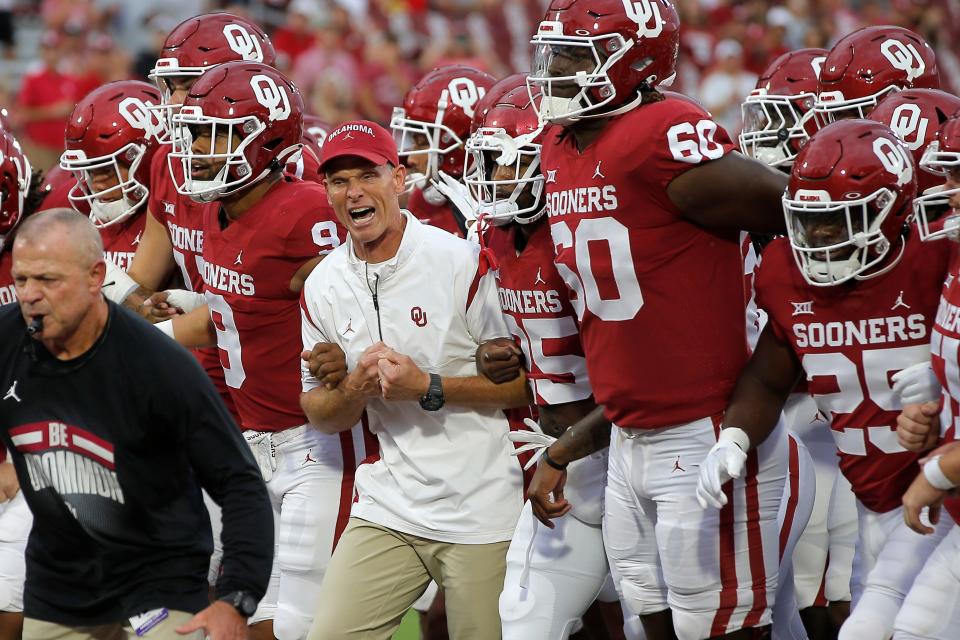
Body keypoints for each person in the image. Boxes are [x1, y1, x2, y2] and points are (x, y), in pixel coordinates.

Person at [526, 1, 790, 638]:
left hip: (705, 426)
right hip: (626, 434)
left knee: (723, 625)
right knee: (650, 624)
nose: (555, 69)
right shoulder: (559, 145)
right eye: (551, 52)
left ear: (637, 60)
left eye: (574, 54)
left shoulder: (662, 130)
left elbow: (799, 210)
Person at [695, 119, 954, 640]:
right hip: (878, 501)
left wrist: (939, 390)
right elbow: (769, 378)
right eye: (808, 222)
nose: (817, 239)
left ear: (892, 211)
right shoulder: (785, 272)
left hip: (943, 497)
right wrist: (735, 435)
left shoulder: (935, 256)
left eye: (838, 222)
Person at [158, 62, 370, 640]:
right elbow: (233, 312)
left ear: (267, 137)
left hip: (318, 445)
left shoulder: (306, 209)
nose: (198, 149)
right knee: (241, 619)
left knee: (292, 627)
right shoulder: (212, 208)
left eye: (215, 134)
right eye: (194, 133)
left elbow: (365, 303)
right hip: (250, 441)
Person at [300, 120, 529, 639]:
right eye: (338, 181)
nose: (353, 191)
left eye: (367, 174)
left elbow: (526, 386)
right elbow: (317, 410)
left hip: (481, 501)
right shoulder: (323, 285)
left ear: (399, 179)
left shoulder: (460, 260)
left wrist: (429, 386)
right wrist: (354, 387)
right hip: (389, 503)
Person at [0, 208, 273, 640]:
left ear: (95, 277)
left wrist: (236, 597)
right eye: (21, 280)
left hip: (159, 589)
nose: (31, 295)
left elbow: (238, 480)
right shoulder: (6, 342)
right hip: (61, 592)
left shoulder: (159, 364)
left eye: (48, 280)